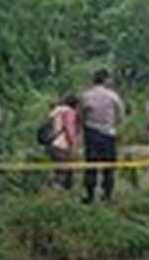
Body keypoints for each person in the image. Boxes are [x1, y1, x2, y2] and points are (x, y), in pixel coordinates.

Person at [80, 69, 125, 204]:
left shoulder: (86, 95)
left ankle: (90, 195)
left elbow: (80, 114)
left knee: (91, 165)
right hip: (108, 133)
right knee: (109, 166)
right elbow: (120, 115)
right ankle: (107, 195)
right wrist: (112, 124)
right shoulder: (113, 96)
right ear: (106, 80)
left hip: (91, 132)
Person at [48, 95, 81, 190]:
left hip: (53, 144)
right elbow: (69, 129)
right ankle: (60, 196)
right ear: (75, 105)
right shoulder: (69, 112)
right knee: (64, 172)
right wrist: (74, 144)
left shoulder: (56, 112)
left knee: (57, 171)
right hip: (63, 145)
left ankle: (54, 193)